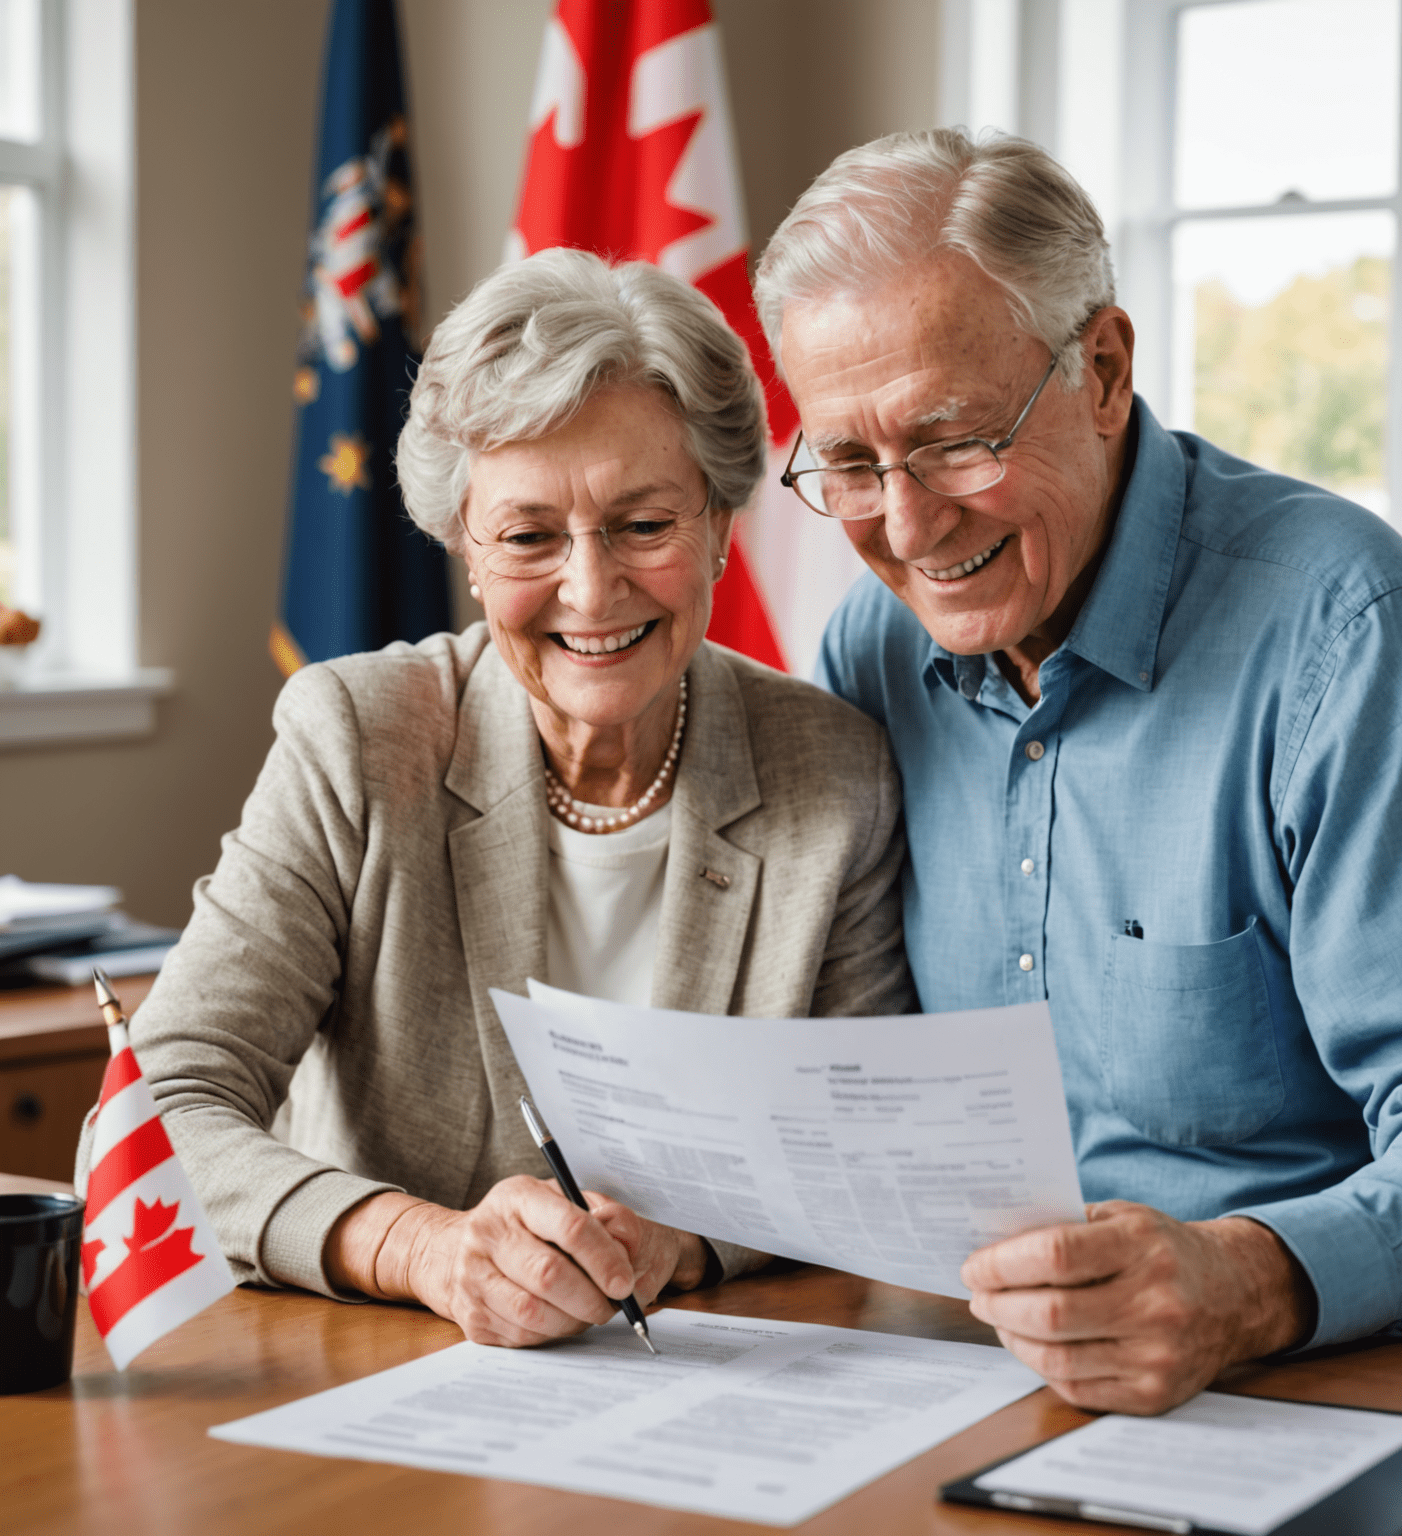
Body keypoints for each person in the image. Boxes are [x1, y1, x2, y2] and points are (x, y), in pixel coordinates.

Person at [753, 128, 1402, 1414]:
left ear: (1103, 368)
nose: (905, 528)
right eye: (846, 462)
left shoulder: (1340, 629)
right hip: (953, 1371)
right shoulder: (876, 647)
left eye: (954, 442)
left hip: (1305, 1387)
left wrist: (1245, 1283)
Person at [77, 248, 913, 1349]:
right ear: (465, 551)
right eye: (528, 536)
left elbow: (856, 1139)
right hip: (375, 1372)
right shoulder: (358, 739)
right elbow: (153, 1115)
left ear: (718, 525)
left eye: (644, 524)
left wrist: (688, 1239)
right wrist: (421, 1248)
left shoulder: (833, 771)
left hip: (717, 1371)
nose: (590, 587)